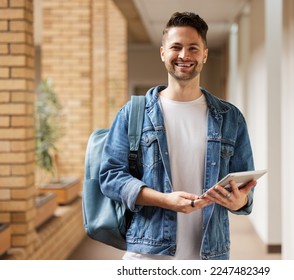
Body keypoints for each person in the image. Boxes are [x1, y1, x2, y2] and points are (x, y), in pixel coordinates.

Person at [99, 11, 256, 260]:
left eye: (193, 48)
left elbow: (244, 190)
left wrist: (239, 202)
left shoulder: (230, 117)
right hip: (149, 255)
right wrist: (165, 200)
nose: (184, 55)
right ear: (163, 53)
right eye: (176, 47)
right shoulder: (134, 113)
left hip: (210, 255)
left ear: (204, 54)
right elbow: (111, 176)